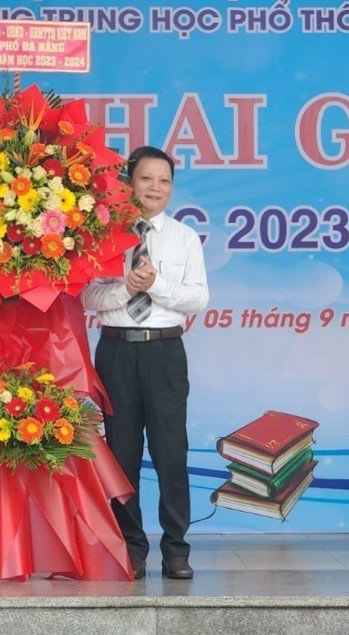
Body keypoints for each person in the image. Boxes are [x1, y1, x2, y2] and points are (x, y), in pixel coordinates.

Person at [81, 146, 208, 580]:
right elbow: (86, 296)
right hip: (116, 350)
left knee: (172, 452)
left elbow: (197, 298)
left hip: (164, 352)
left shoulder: (184, 237)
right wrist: (123, 288)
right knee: (122, 454)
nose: (155, 188)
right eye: (146, 179)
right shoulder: (100, 235)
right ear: (129, 182)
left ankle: (176, 548)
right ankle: (130, 547)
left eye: (164, 181)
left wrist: (156, 285)